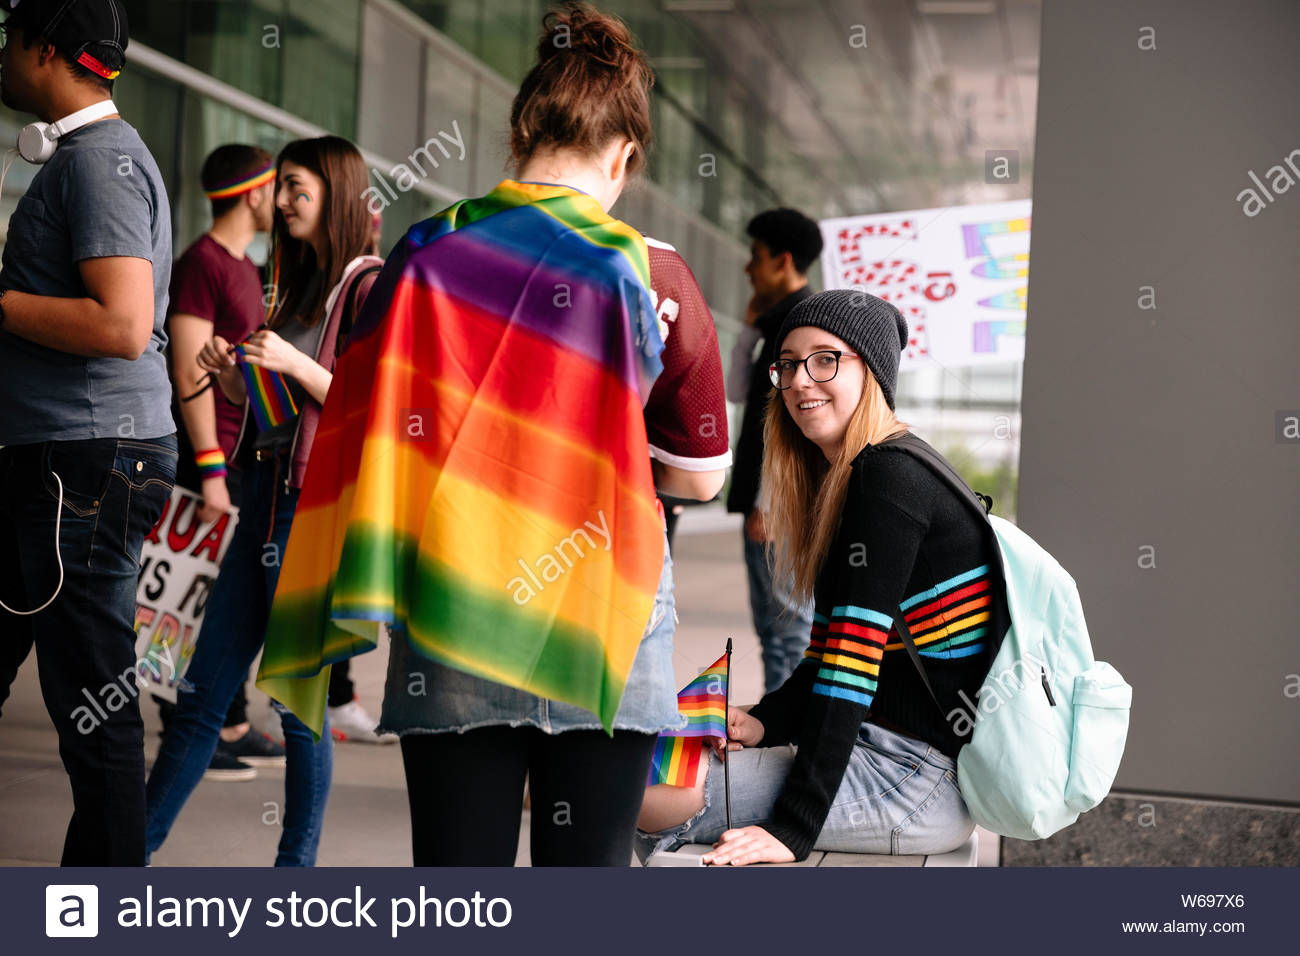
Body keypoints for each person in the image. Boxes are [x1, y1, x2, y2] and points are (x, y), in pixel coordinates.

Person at [254, 2, 729, 867]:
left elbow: (364, 432)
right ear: (624, 154)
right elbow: (699, 478)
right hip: (605, 618)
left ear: (519, 132)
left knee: (458, 885)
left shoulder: (422, 254)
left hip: (452, 608)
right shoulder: (657, 274)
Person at [637, 290, 1008, 864]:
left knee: (638, 794)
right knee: (647, 766)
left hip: (912, 778)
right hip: (889, 758)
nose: (801, 381)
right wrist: (763, 721)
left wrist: (794, 828)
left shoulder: (889, 482)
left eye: (826, 359)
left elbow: (850, 670)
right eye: (787, 364)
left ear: (874, 372)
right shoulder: (866, 473)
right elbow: (831, 656)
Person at [144, 136, 383, 866]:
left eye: (297, 190)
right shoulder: (290, 284)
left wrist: (291, 361)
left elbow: (379, 410)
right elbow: (280, 415)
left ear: (335, 195)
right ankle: (123, 857)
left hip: (313, 517)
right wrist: (231, 378)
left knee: (298, 709)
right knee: (198, 699)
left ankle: (293, 875)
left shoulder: (369, 286)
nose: (279, 202)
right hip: (262, 497)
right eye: (280, 188)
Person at [0, 0, 177, 867]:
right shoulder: (90, 158)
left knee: (92, 700)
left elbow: (120, 323)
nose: (1, 54)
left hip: (86, 462)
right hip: (55, 459)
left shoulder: (98, 164)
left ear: (44, 50)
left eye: (9, 39)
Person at [163, 143, 288, 780]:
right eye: (277, 187)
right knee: (189, 602)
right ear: (253, 193)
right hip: (209, 460)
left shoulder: (244, 266)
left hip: (241, 456)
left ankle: (228, 722)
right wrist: (210, 469)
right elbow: (190, 369)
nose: (283, 201)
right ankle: (193, 733)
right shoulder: (202, 264)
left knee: (221, 602)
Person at [725, 209, 824, 692]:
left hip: (779, 502)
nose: (748, 268)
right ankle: (782, 731)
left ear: (783, 261)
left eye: (756, 257)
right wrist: (748, 329)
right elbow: (741, 392)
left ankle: (785, 739)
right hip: (774, 499)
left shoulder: (799, 323)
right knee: (776, 629)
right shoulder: (779, 320)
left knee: (787, 631)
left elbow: (788, 414)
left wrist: (770, 499)